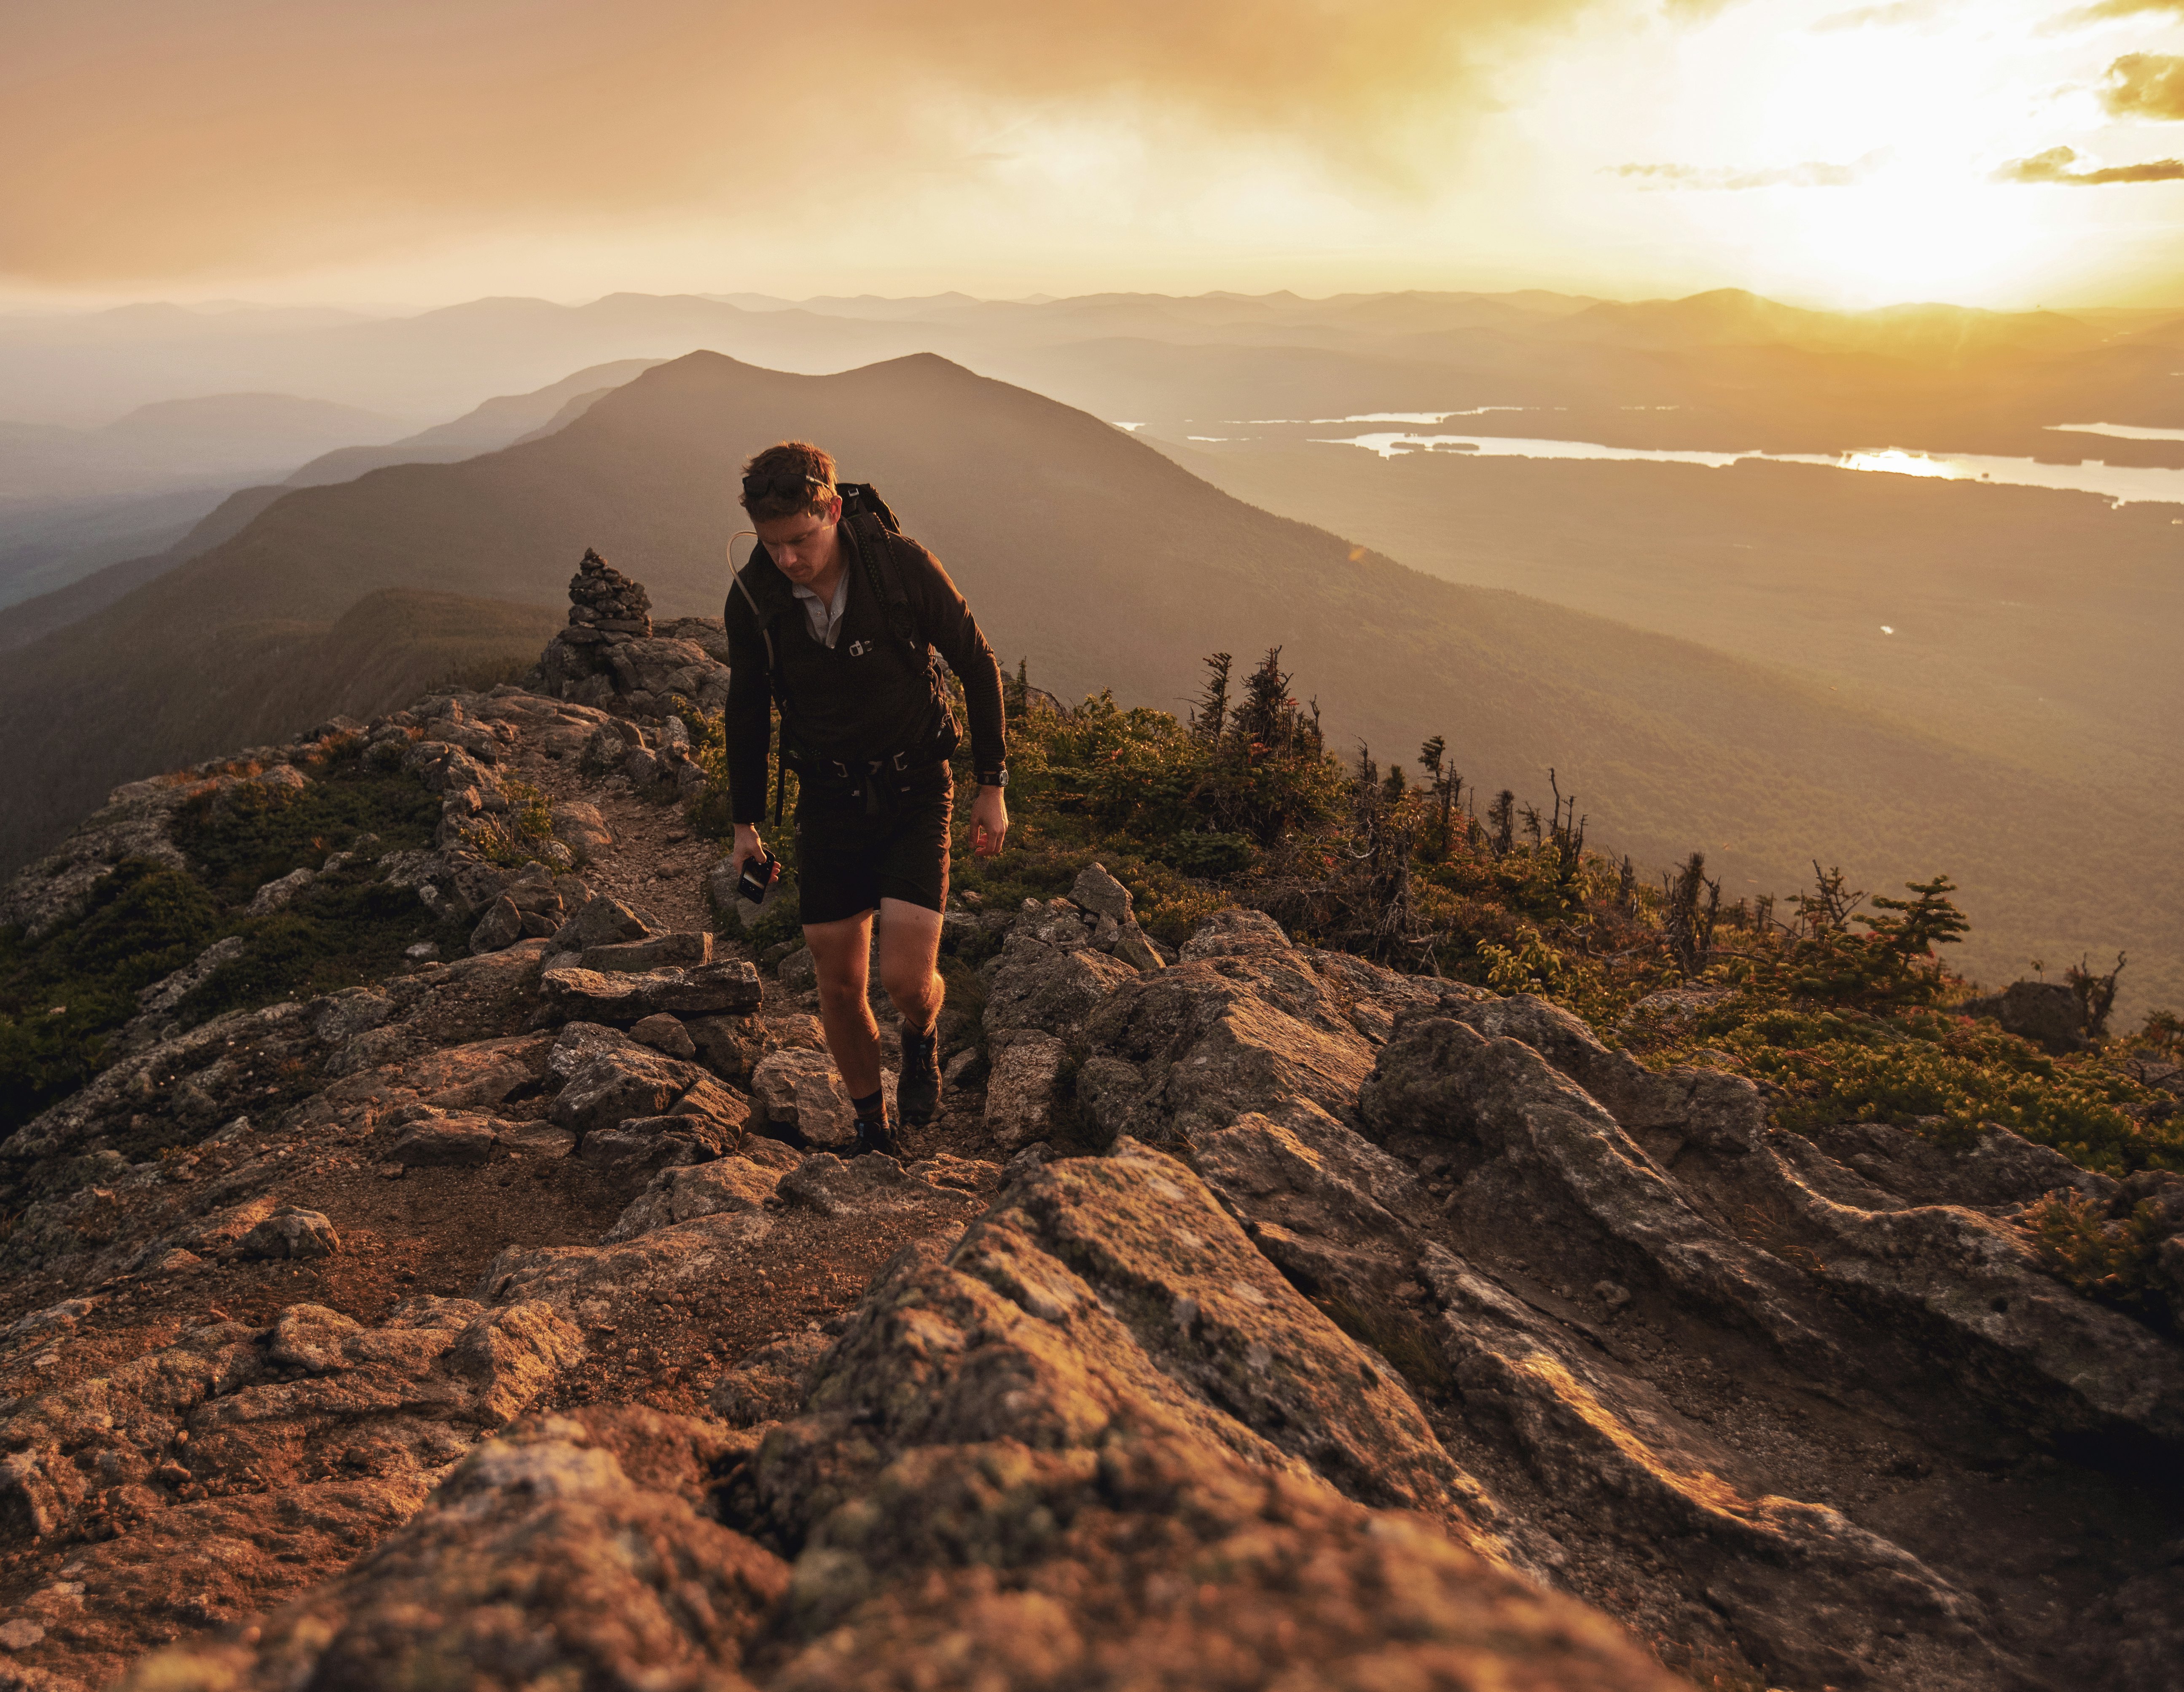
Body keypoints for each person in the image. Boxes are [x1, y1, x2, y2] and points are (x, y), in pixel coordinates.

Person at [723, 440, 1008, 1157]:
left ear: (833, 509)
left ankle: (921, 1034)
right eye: (771, 544)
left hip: (916, 785)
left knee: (907, 980)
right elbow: (747, 712)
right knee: (836, 976)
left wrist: (991, 784)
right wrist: (745, 823)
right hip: (827, 796)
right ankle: (871, 1127)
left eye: (800, 540)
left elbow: (976, 662)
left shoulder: (898, 567)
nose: (787, 559)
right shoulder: (754, 596)